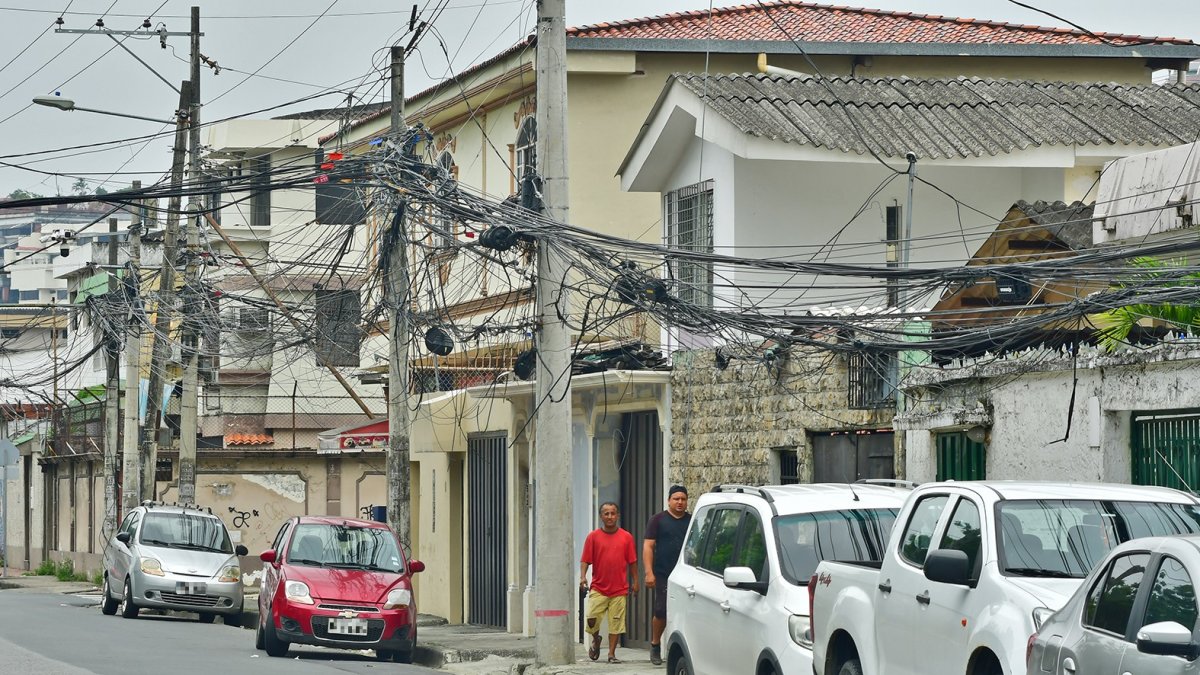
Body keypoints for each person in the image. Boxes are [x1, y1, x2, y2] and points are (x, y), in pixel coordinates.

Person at [580, 501, 639, 664]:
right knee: (591, 618)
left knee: (616, 622)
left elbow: (632, 561)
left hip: (619, 589)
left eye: (613, 513)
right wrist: (583, 576)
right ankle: (596, 639)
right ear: (601, 516)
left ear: (618, 515)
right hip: (598, 587)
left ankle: (611, 654)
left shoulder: (626, 537)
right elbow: (585, 559)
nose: (610, 516)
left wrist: (636, 581)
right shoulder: (593, 537)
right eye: (606, 513)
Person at [642, 485, 691, 666]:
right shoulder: (658, 520)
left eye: (683, 499)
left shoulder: (692, 520)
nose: (680, 502)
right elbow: (648, 546)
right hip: (663, 572)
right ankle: (655, 645)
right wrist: (649, 572)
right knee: (661, 609)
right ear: (669, 500)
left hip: (686, 573)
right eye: (676, 499)